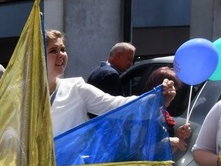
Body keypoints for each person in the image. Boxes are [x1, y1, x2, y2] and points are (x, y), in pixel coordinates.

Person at [46, 30, 175, 136]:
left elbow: (118, 106)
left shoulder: (76, 89)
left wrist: (158, 99)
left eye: (63, 49)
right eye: (53, 51)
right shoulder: (25, 95)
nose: (61, 54)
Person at [143, 67, 191, 152]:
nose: (173, 97)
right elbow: (136, 147)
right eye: (169, 92)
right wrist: (169, 141)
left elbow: (169, 153)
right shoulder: (141, 112)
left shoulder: (164, 113)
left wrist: (179, 136)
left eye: (174, 91)